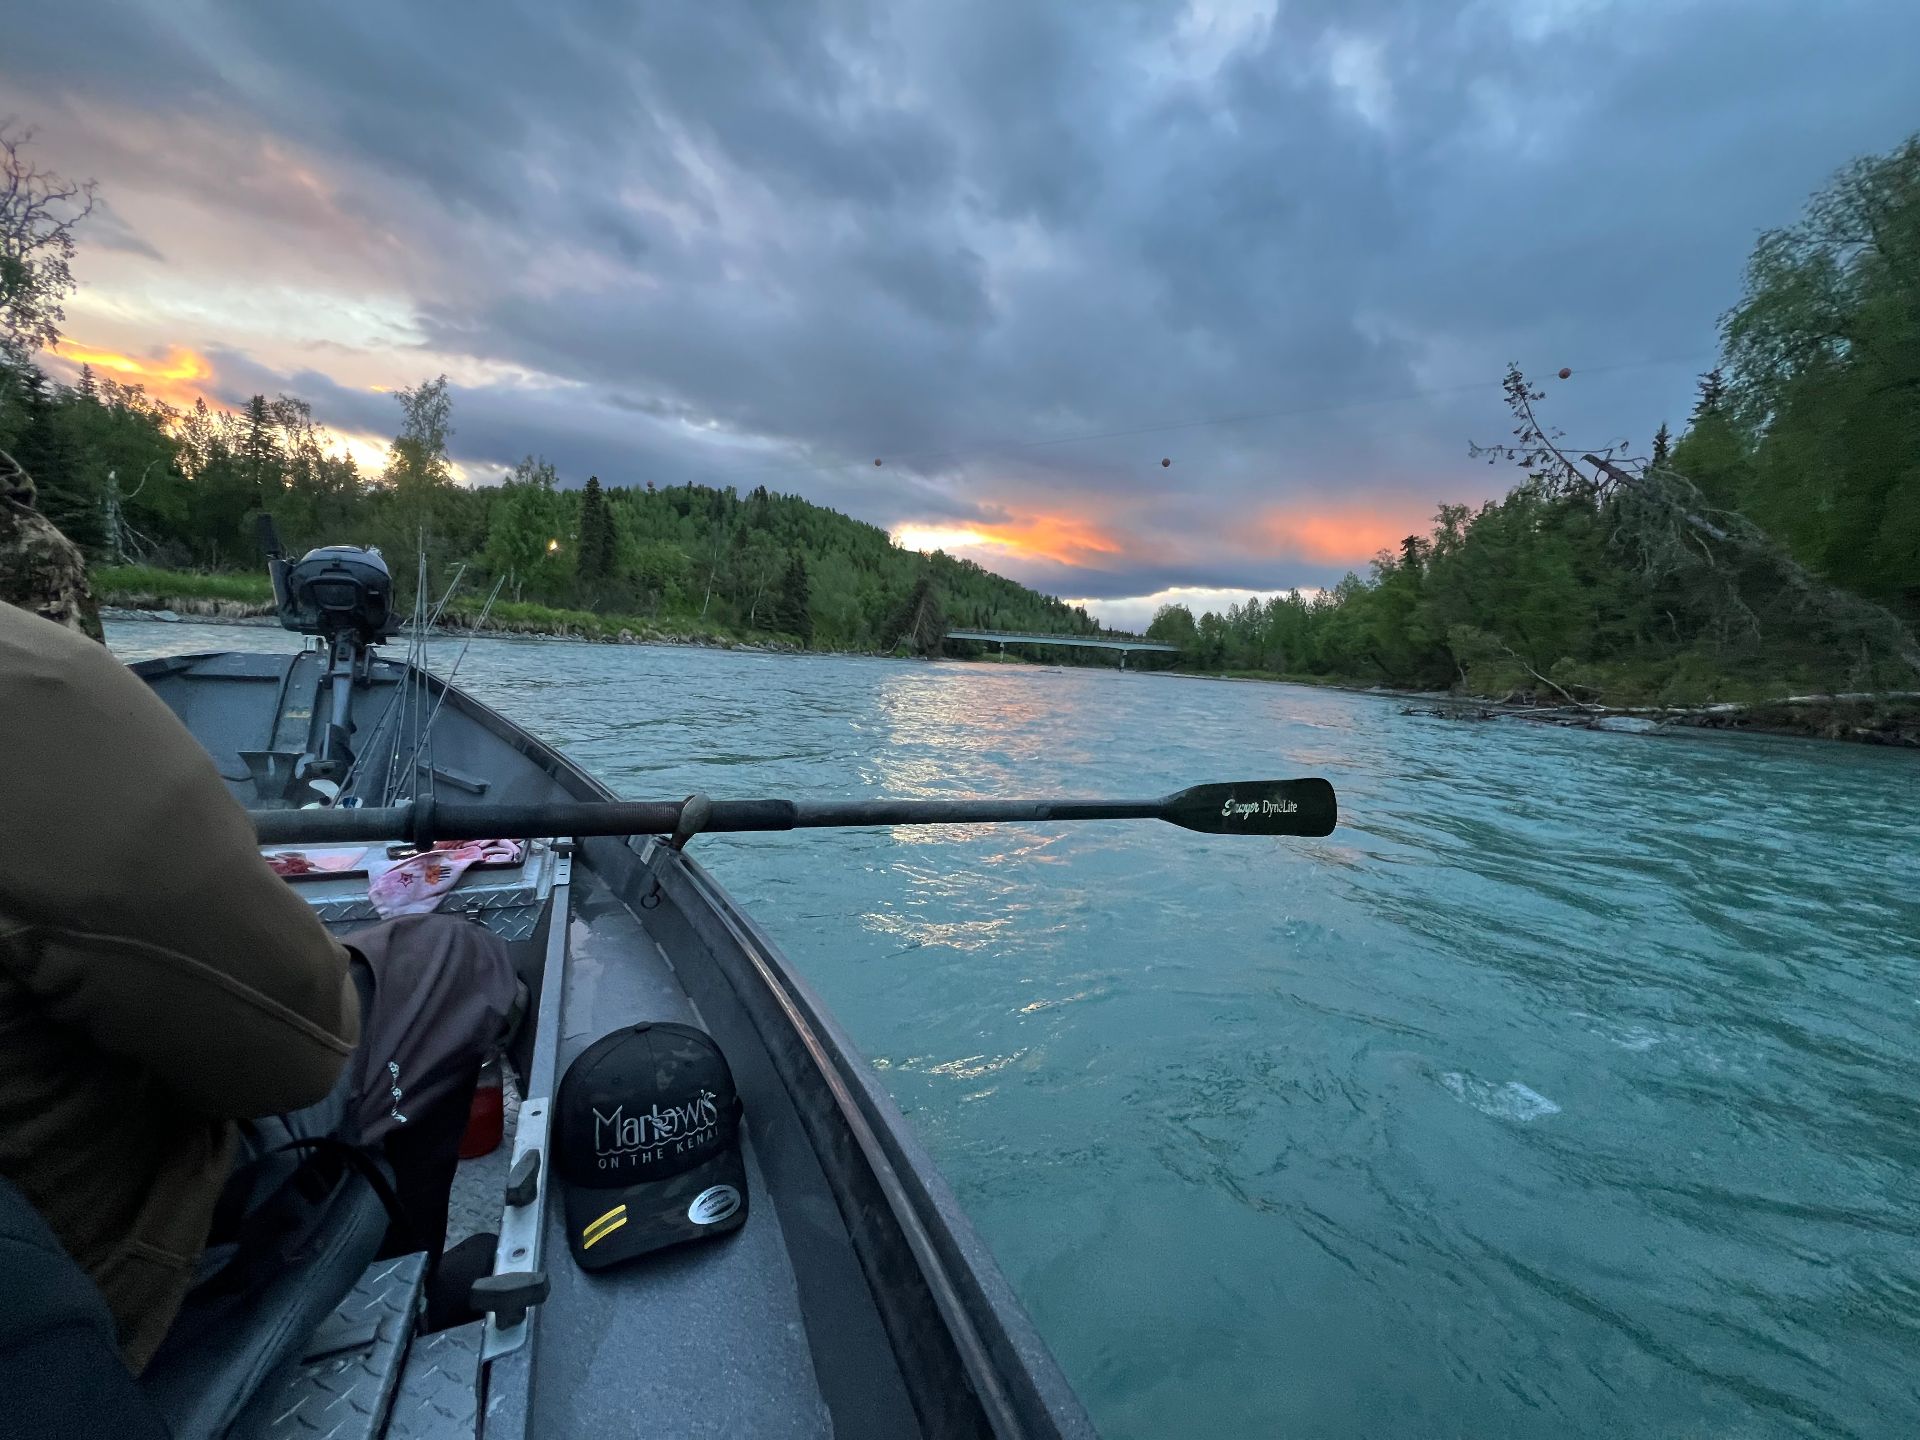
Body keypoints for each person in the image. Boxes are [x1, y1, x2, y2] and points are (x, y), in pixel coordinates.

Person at [0, 600, 518, 1373]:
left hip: (33, 1244)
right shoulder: (35, 685)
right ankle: (400, 1300)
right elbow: (300, 1054)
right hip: (95, 1289)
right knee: (449, 959)